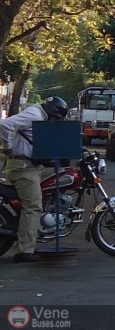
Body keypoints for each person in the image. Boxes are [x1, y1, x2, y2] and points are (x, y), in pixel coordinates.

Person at [0, 96, 68, 263]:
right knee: (33, 206)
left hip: (30, 167)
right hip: (23, 168)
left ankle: (29, 238)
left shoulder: (38, 115)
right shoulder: (34, 115)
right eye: (56, 118)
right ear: (52, 113)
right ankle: (25, 251)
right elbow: (4, 124)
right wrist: (7, 148)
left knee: (41, 198)